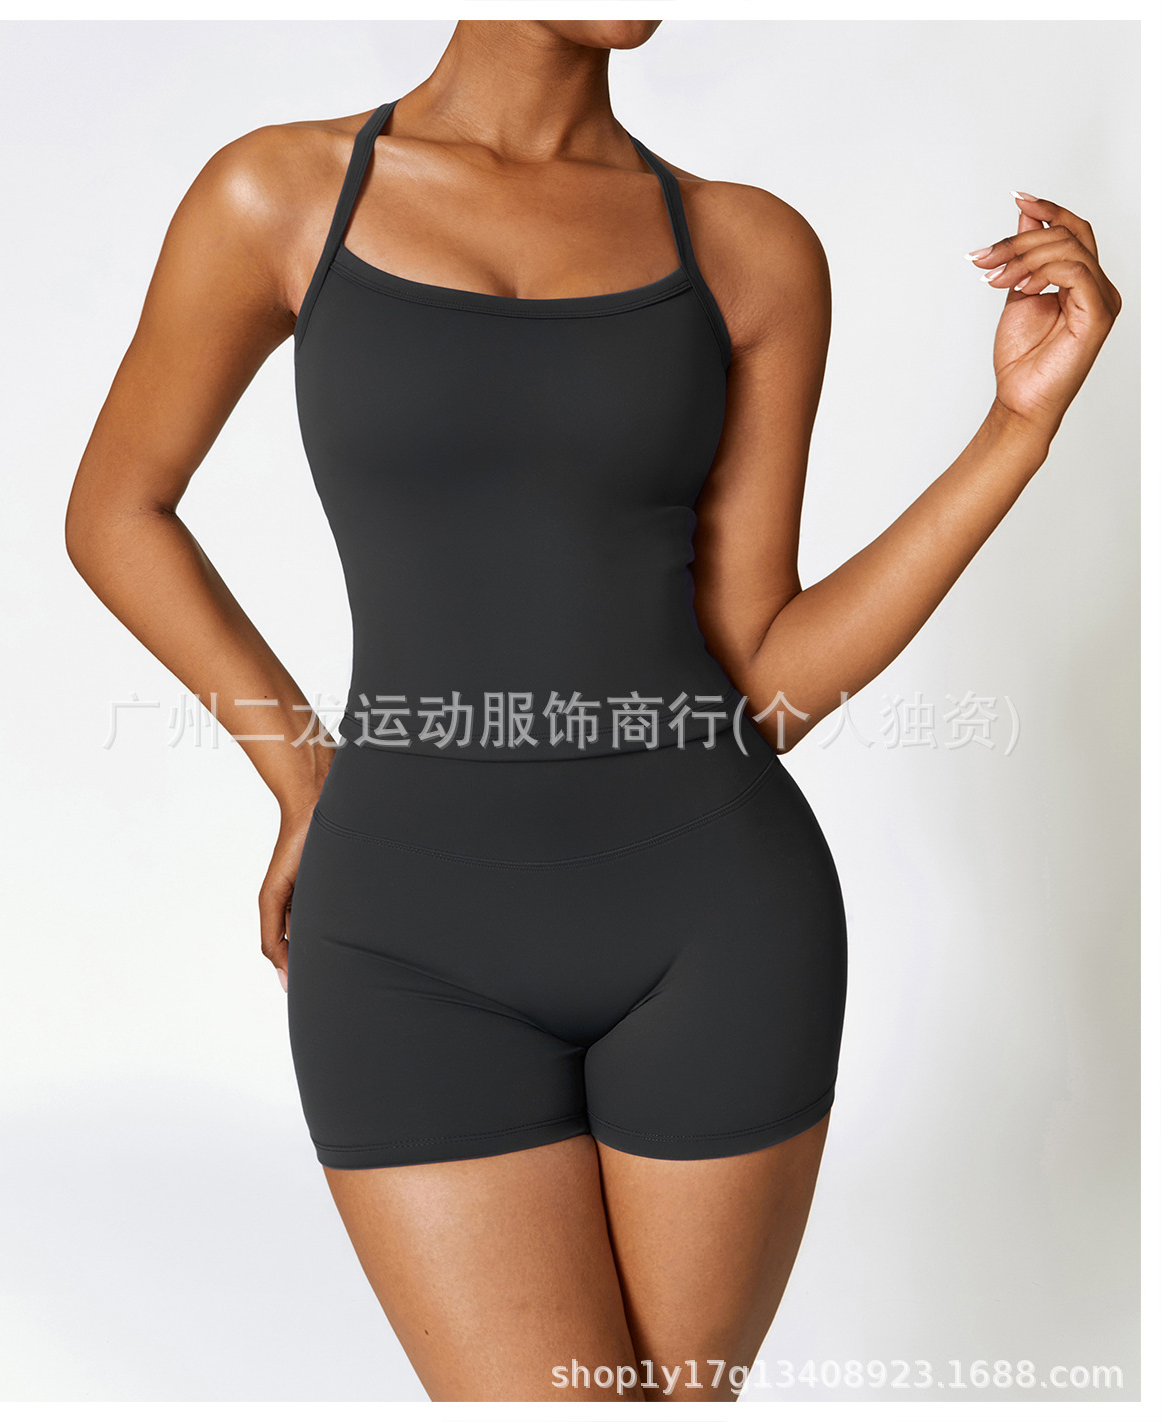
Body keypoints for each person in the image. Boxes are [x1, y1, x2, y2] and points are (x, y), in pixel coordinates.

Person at [63, 18, 1121, 1405]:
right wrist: (303, 775)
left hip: (714, 925)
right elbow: (117, 510)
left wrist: (1017, 430)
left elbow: (766, 679)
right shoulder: (281, 194)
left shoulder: (749, 250)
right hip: (403, 936)